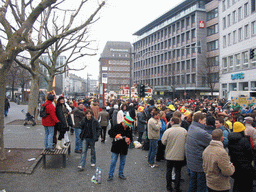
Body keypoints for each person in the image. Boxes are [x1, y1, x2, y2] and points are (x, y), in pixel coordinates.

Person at [185, 111, 211, 192]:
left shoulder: (192, 126)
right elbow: (213, 141)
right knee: (201, 185)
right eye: (204, 121)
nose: (205, 123)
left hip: (192, 160)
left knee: (193, 182)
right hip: (199, 162)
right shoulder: (201, 132)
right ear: (199, 120)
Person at [161, 116, 187, 192]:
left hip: (170, 154)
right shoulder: (184, 131)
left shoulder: (168, 131)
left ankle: (169, 187)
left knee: (169, 171)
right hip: (180, 154)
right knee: (178, 171)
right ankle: (177, 187)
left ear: (172, 122)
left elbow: (163, 142)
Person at [228, 121, 254, 192]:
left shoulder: (230, 140)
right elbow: (250, 154)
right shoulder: (244, 140)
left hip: (236, 165)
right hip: (246, 167)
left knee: (237, 184)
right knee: (247, 185)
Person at [107, 115, 134, 181]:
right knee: (113, 161)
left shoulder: (129, 129)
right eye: (126, 125)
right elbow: (110, 132)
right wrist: (116, 136)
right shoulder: (117, 126)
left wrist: (128, 139)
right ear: (124, 122)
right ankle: (110, 175)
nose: (127, 126)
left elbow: (131, 138)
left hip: (124, 148)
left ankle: (121, 174)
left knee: (122, 162)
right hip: (116, 146)